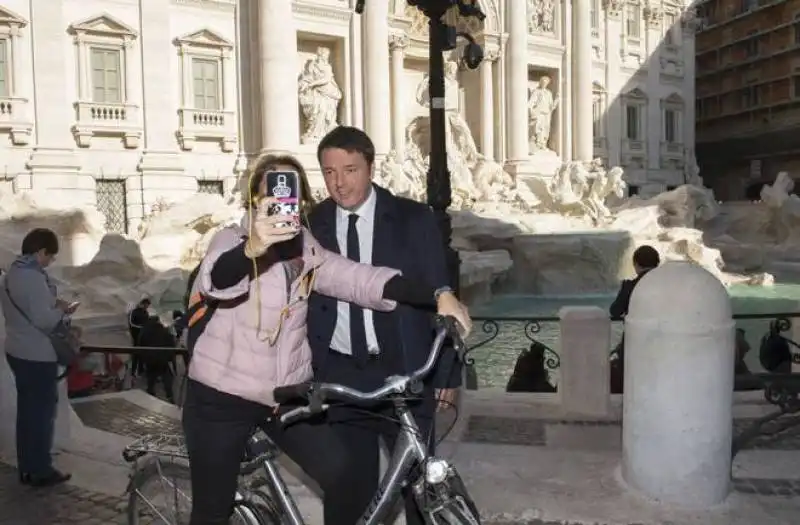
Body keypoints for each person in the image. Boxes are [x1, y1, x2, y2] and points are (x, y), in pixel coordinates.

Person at [181, 153, 471, 525]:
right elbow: (218, 279)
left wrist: (436, 295)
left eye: (292, 192)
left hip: (284, 396)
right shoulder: (230, 240)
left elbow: (360, 278)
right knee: (211, 511)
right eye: (271, 191)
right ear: (255, 199)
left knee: (347, 476)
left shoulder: (308, 250)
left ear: (301, 201)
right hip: (221, 400)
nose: (283, 200)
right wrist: (253, 247)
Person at [306, 126, 466, 525]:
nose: (339, 183)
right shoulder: (312, 222)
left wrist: (447, 376)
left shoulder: (413, 219)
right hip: (340, 374)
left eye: (349, 169)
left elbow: (439, 294)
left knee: (419, 489)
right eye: (328, 172)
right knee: (347, 488)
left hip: (404, 371)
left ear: (371, 167)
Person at [0, 228, 77, 486]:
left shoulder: (12, 273)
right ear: (41, 251)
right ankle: (41, 469)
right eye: (50, 256)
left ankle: (27, 467)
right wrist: (62, 309)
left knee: (27, 414)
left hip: (17, 349)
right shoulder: (31, 278)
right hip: (36, 354)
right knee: (42, 414)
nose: (50, 262)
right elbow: (44, 320)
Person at [608, 245, 661, 394]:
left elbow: (615, 311)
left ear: (636, 264)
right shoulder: (666, 286)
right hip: (663, 338)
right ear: (657, 263)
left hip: (635, 340)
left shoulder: (630, 286)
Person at [137, 315, 177, 403]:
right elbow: (171, 343)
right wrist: (170, 357)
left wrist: (143, 359)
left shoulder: (145, 331)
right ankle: (169, 395)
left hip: (150, 359)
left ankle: (150, 393)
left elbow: (140, 344)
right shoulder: (164, 331)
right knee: (167, 376)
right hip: (162, 358)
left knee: (151, 377)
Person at [127, 297, 150, 377]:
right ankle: (133, 372)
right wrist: (142, 328)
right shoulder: (134, 312)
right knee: (135, 355)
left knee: (142, 354)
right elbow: (131, 323)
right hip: (135, 336)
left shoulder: (146, 312)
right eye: (146, 304)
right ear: (142, 303)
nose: (147, 306)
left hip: (143, 337)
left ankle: (140, 370)